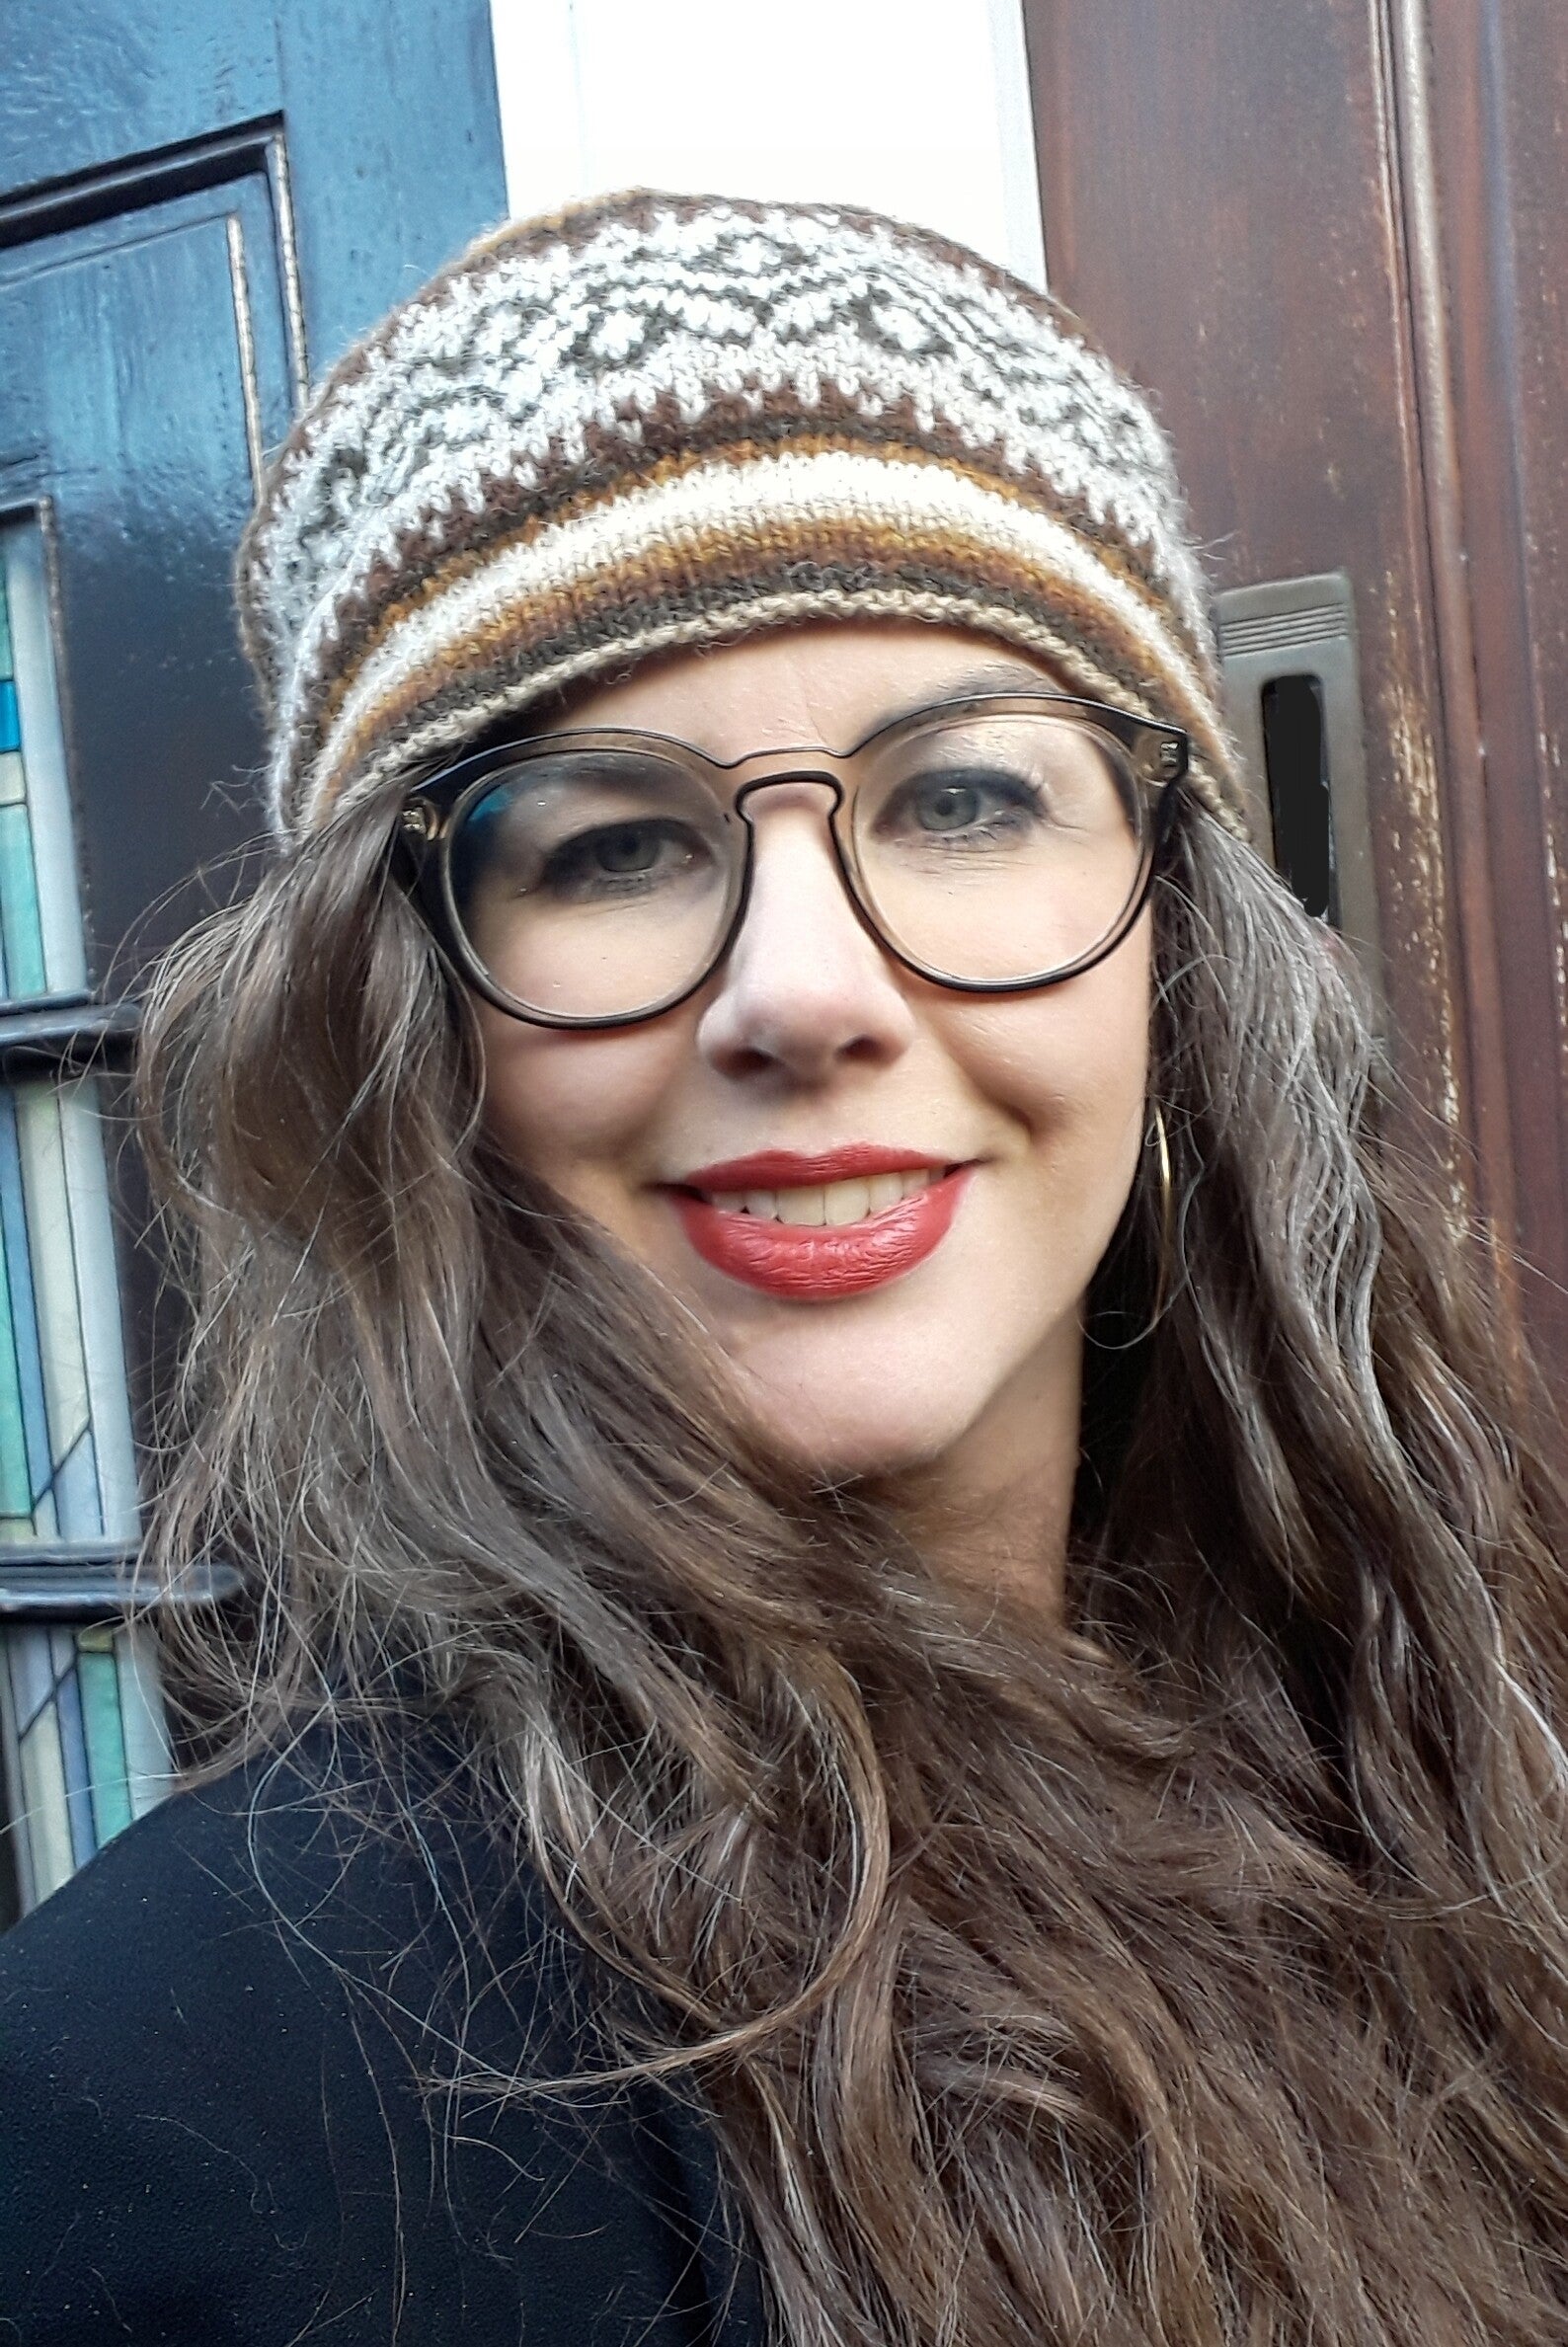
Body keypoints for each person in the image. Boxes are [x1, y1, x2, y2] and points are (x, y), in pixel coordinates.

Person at [1, 188, 1565, 2347]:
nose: (804, 993)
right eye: (614, 844)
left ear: (1177, 938)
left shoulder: (1458, 1745)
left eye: (965, 800)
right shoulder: (187, 2111)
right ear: (410, 1017)